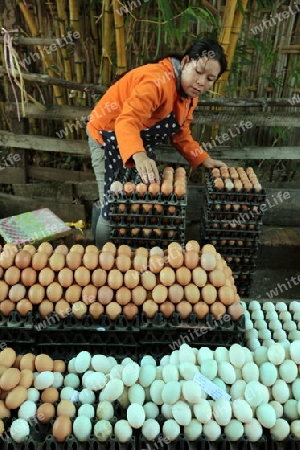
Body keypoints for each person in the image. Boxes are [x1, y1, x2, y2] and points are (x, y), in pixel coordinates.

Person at [86, 38, 227, 247]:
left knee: (136, 205)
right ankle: (100, 264)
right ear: (186, 61)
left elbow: (180, 134)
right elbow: (127, 120)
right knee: (113, 205)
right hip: (108, 136)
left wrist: (203, 159)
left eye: (210, 78)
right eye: (198, 71)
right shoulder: (158, 81)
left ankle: (126, 258)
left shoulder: (189, 95)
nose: (201, 82)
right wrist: (140, 155)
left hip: (137, 142)